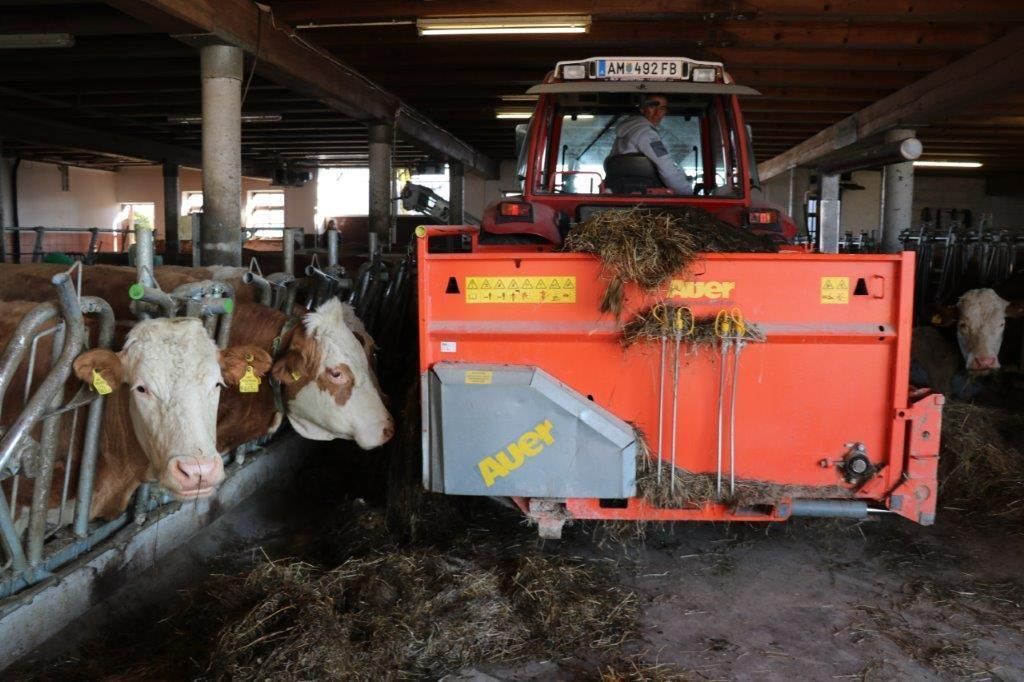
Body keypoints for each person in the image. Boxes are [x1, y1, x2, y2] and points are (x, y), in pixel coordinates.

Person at [609, 95, 692, 194]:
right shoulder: (646, 134)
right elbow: (666, 167)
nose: (657, 113)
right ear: (642, 109)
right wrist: (687, 193)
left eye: (662, 108)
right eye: (652, 106)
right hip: (645, 196)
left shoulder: (625, 133)